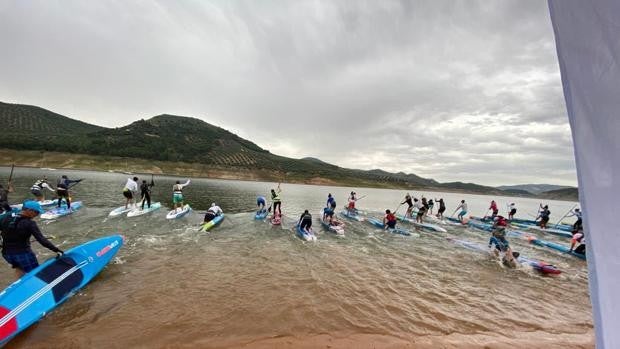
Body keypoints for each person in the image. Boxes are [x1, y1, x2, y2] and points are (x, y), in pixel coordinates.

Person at [1, 200, 63, 279]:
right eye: (36, 212)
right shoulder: (29, 223)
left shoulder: (6, 216)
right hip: (22, 254)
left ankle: (20, 287)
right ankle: (38, 289)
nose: (37, 215)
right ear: (29, 210)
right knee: (35, 274)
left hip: (7, 254)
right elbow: (42, 240)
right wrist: (57, 250)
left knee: (19, 268)